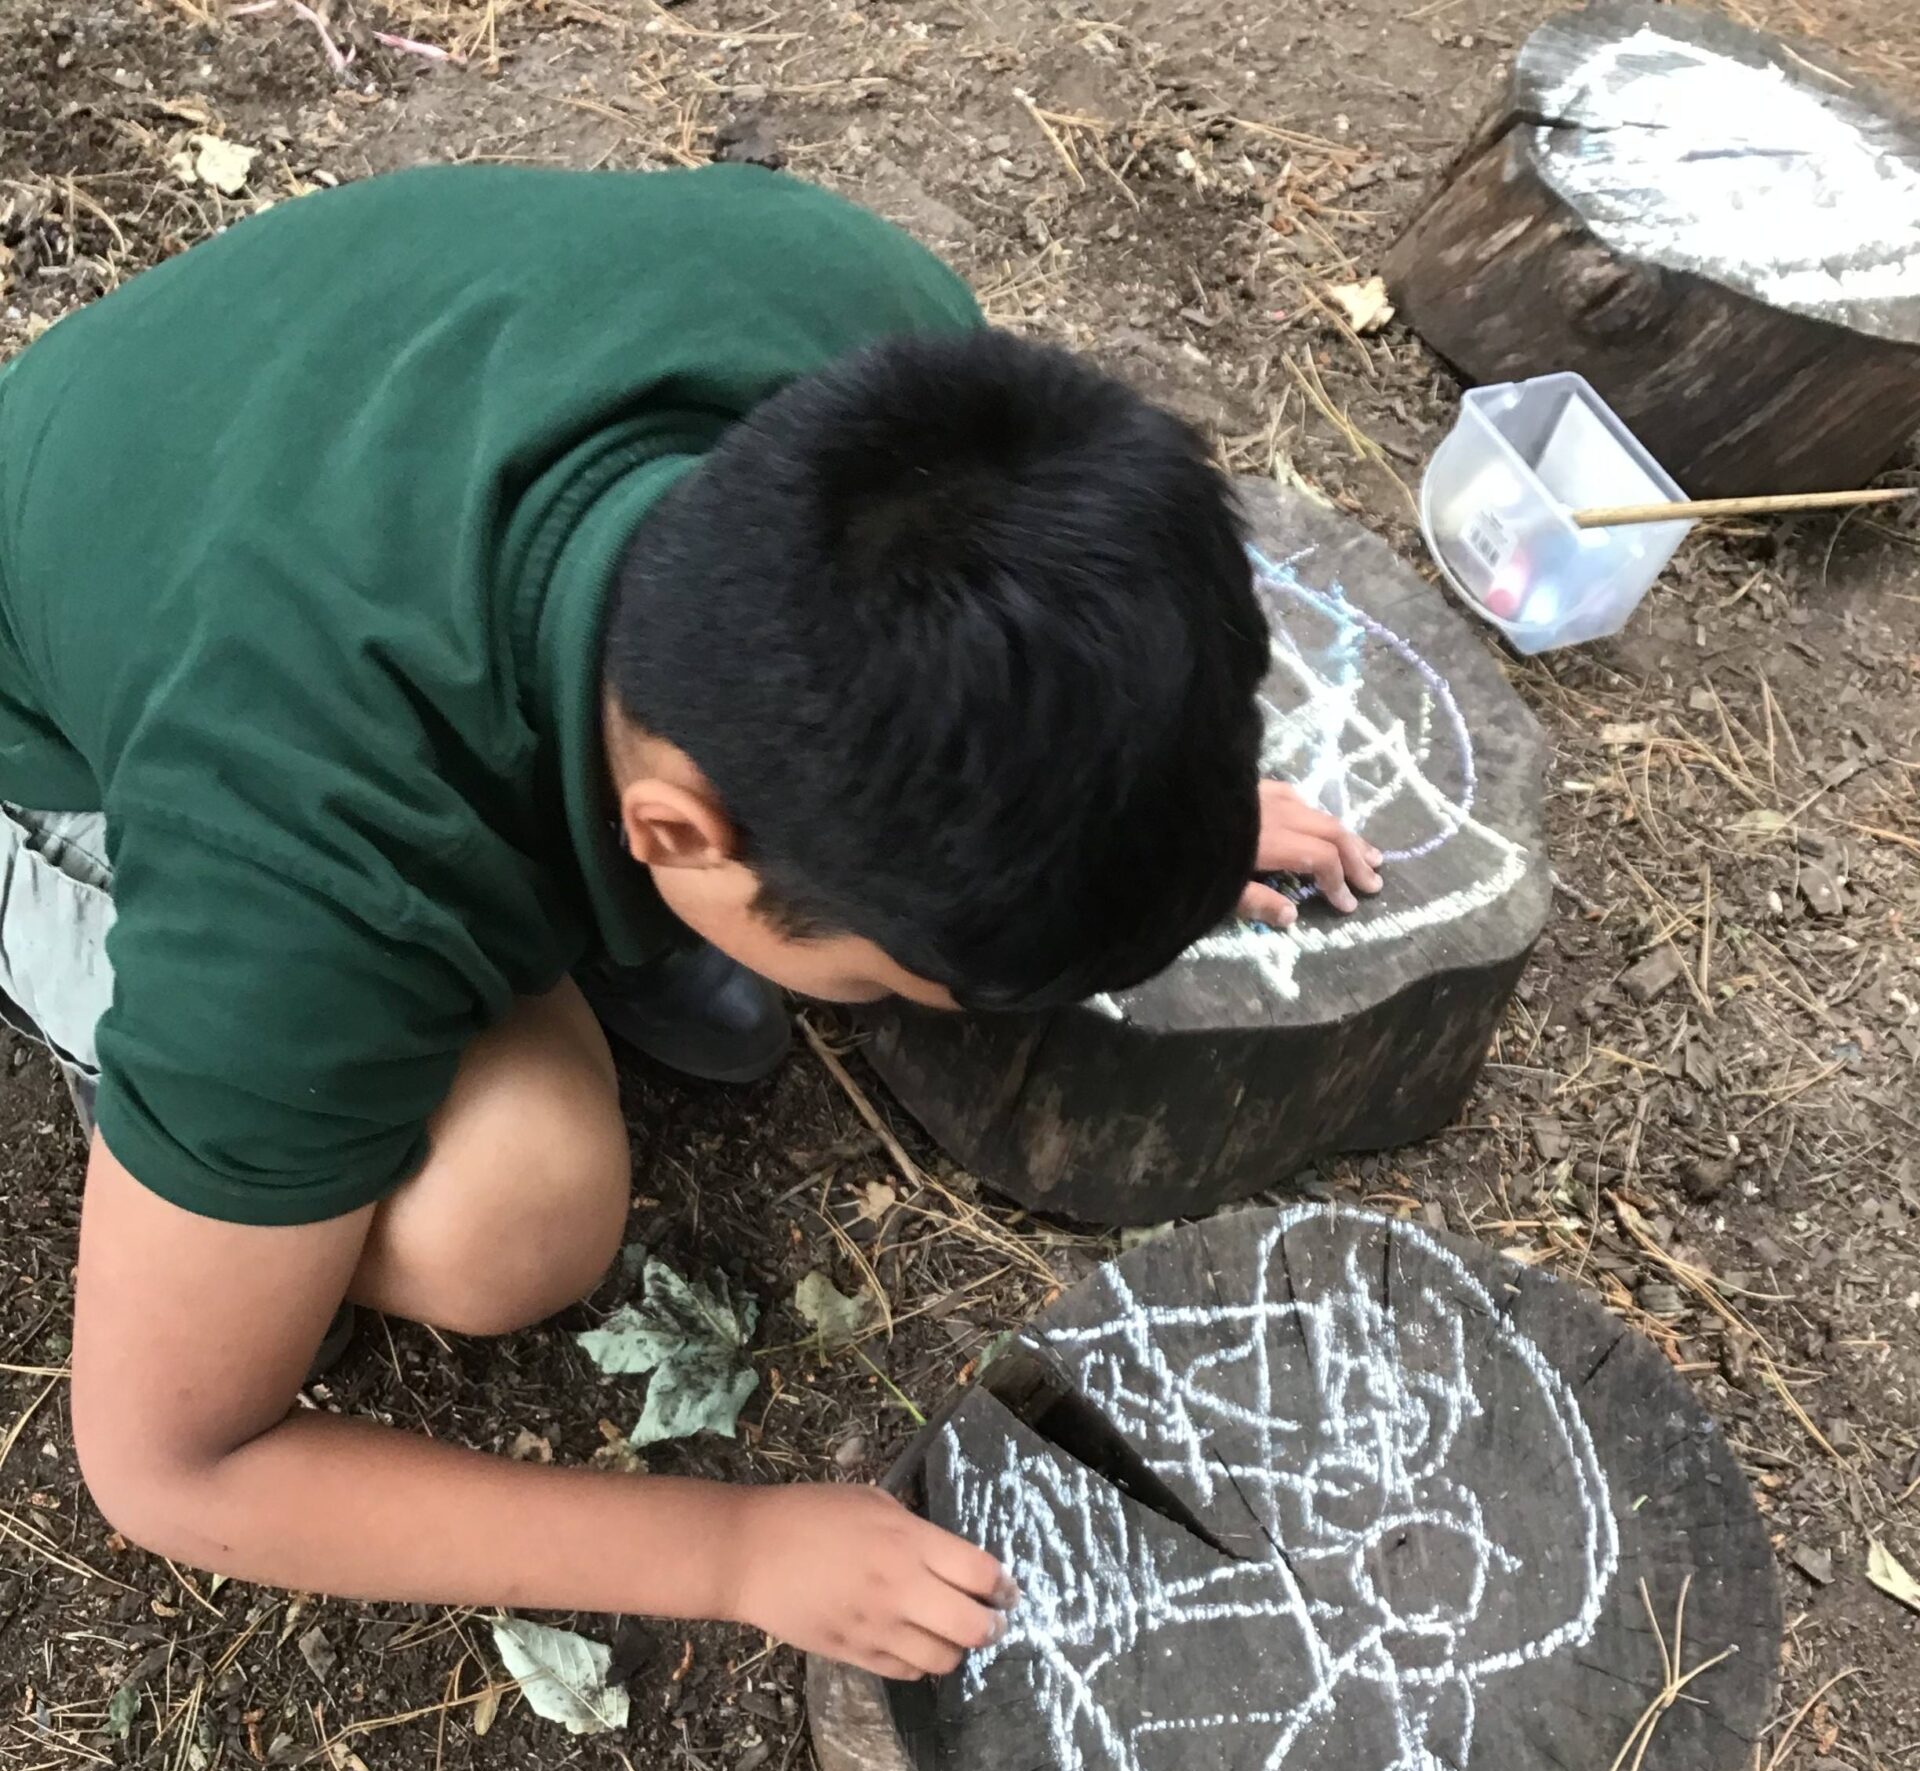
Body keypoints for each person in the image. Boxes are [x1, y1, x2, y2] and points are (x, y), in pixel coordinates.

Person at [0, 163, 1379, 1681]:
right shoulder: (302, 876)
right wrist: (731, 1551)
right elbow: (170, 1469)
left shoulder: (889, 352)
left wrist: (1141, 793)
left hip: (279, 461)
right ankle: (190, 1111)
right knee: (509, 1221)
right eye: (886, 981)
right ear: (673, 833)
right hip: (66, 750)